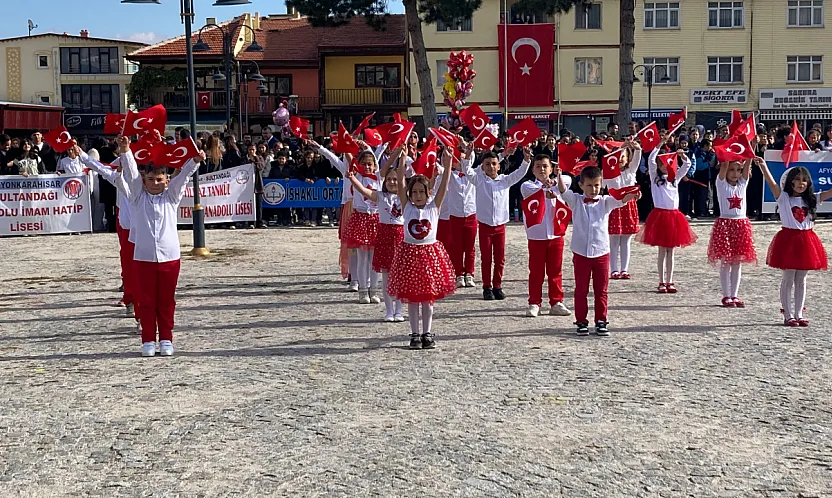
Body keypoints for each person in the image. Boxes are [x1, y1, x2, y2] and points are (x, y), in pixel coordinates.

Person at [117, 136, 202, 357]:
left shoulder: (171, 197)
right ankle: (147, 340)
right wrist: (126, 151)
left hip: (169, 257)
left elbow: (182, 178)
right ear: (145, 181)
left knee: (166, 301)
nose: (156, 183)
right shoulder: (137, 196)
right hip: (143, 257)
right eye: (152, 179)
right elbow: (133, 172)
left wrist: (193, 162)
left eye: (160, 179)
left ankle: (166, 338)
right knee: (146, 301)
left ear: (166, 180)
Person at [557, 166, 639, 336]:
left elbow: (621, 200)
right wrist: (558, 174)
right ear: (581, 185)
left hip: (602, 252)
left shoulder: (605, 201)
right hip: (581, 252)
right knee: (581, 289)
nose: (593, 189)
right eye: (589, 185)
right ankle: (581, 321)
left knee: (601, 290)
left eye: (596, 185)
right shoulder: (576, 201)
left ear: (601, 185)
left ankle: (601, 320)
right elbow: (563, 191)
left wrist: (634, 195)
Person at [388, 148, 456, 349]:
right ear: (410, 194)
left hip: (429, 256)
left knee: (428, 298)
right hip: (409, 255)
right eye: (414, 192)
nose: (418, 196)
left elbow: (444, 184)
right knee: (413, 299)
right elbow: (400, 182)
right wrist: (401, 161)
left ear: (428, 193)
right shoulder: (407, 206)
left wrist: (449, 161)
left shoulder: (433, 207)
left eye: (421, 192)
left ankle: (427, 332)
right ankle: (414, 333)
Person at [758, 159, 830, 326]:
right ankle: (788, 314)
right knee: (788, 277)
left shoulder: (812, 199)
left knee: (802, 279)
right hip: (789, 240)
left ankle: (799, 313)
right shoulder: (783, 197)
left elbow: (829, 192)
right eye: (797, 179)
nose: (800, 183)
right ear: (790, 182)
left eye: (804, 180)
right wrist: (763, 166)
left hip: (807, 241)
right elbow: (771, 182)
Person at [77, 146, 140, 324]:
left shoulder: (142, 181)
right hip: (127, 228)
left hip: (145, 230)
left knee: (145, 268)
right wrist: (81, 154)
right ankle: (131, 299)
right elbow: (98, 167)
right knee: (129, 265)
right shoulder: (119, 179)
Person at [463, 145, 532, 300]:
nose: (491, 167)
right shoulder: (478, 180)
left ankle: (497, 285)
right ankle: (486, 287)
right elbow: (467, 171)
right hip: (485, 226)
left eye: (494, 164)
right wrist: (467, 156)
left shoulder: (504, 181)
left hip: (500, 226)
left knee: (500, 258)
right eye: (487, 164)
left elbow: (519, 174)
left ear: (499, 166)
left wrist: (526, 160)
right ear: (482, 166)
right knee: (486, 258)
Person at [347, 156, 404, 322]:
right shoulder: (380, 196)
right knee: (386, 276)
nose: (392, 182)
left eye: (395, 179)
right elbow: (363, 191)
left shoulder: (404, 196)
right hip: (384, 237)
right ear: (384, 181)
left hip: (400, 237)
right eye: (389, 179)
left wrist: (402, 157)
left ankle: (399, 310)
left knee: (398, 276)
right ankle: (388, 311)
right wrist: (351, 178)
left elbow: (402, 178)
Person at [638, 141, 697, 293]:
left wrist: (682, 155)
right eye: (662, 164)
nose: (665, 166)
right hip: (660, 216)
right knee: (662, 251)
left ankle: (670, 280)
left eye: (668, 163)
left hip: (674, 217)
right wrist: (658, 146)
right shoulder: (654, 179)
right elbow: (651, 161)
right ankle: (661, 281)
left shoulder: (674, 179)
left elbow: (687, 165)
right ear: (658, 166)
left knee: (671, 251)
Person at [521, 154, 571, 317]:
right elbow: (535, 191)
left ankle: (556, 301)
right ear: (533, 170)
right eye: (538, 166)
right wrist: (547, 186)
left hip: (556, 234)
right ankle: (534, 302)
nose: (542, 169)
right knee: (536, 271)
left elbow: (568, 180)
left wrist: (556, 180)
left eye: (545, 166)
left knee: (555, 270)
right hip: (536, 235)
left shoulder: (560, 183)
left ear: (551, 168)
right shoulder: (527, 186)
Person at [707, 158, 757, 307]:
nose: (735, 173)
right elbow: (724, 165)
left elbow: (748, 163)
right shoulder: (721, 184)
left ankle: (735, 295)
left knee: (737, 262)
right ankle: (726, 295)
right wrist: (728, 155)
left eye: (738, 170)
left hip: (740, 225)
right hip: (726, 224)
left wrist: (751, 147)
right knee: (726, 262)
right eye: (732, 169)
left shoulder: (742, 183)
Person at [342, 149, 381, 304]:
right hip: (361, 218)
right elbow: (349, 156)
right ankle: (363, 290)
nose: (367, 167)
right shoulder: (357, 176)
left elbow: (389, 161)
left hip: (375, 219)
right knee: (362, 257)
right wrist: (347, 145)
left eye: (370, 164)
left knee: (374, 259)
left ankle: (374, 289)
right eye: (363, 164)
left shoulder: (379, 177)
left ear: (374, 165)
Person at [604, 140, 642, 280]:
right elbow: (600, 184)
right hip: (614, 206)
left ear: (627, 158)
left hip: (628, 207)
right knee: (613, 240)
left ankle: (624, 269)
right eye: (617, 156)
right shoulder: (607, 173)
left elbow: (637, 158)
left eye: (623, 156)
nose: (620, 159)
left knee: (626, 240)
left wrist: (637, 148)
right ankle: (614, 269)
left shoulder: (630, 170)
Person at [447, 149, 478, 288]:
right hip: (455, 216)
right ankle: (458, 273)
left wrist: (467, 148)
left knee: (470, 247)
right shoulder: (450, 176)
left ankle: (469, 273)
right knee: (457, 247)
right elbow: (442, 165)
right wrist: (447, 156)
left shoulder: (473, 174)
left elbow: (471, 157)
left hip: (471, 215)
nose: (460, 162)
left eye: (462, 159)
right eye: (457, 160)